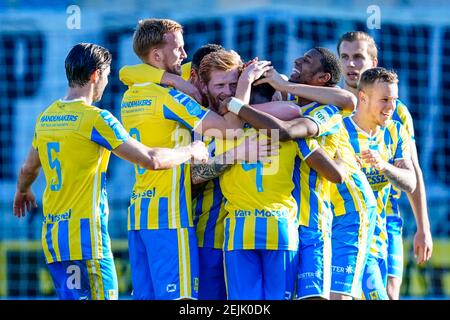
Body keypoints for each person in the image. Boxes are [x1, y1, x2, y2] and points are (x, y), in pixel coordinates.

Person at [12, 43, 209, 300]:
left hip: (55, 238)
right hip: (87, 238)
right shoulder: (97, 119)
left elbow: (28, 168)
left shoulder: (46, 117)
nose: (106, 83)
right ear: (95, 75)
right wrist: (191, 150)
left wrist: (22, 190)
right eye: (105, 76)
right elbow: (150, 159)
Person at [119, 18, 272, 300]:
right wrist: (244, 87)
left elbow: (126, 72)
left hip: (141, 213)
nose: (183, 54)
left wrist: (173, 79)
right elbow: (231, 129)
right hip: (171, 217)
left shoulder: (132, 94)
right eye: (177, 48)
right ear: (156, 55)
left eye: (233, 82)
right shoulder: (173, 97)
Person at [221, 47, 355, 300]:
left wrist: (236, 106)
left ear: (322, 78)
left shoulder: (326, 111)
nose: (296, 61)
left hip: (312, 222)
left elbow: (349, 102)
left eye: (306, 61)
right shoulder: (287, 103)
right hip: (286, 220)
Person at [337, 31, 433, 299]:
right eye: (344, 57)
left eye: (358, 57)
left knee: (388, 294)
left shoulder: (396, 111)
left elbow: (412, 169)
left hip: (386, 216)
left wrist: (423, 226)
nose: (351, 64)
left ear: (374, 61)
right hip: (342, 219)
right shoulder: (332, 105)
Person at [342, 67, 417, 299]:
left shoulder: (395, 131)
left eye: (394, 100)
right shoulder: (340, 130)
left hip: (378, 236)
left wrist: (384, 166)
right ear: (362, 98)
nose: (391, 107)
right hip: (343, 236)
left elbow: (410, 181)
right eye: (384, 100)